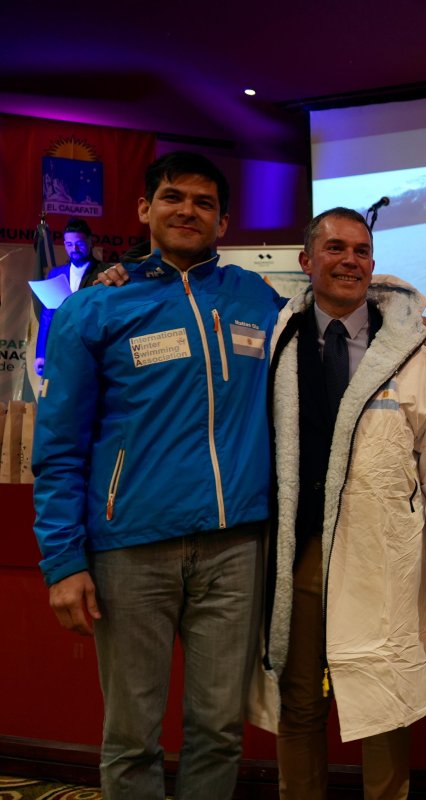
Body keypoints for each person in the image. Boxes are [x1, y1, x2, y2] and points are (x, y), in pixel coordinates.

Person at [32, 151, 279, 799]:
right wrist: (63, 561)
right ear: (145, 209)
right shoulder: (97, 308)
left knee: (219, 731)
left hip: (235, 547)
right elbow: (58, 445)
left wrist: (412, 322)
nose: (187, 211)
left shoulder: (256, 298)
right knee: (132, 738)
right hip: (131, 550)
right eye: (173, 197)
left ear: (223, 222)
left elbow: (337, 312)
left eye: (203, 202)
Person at [246, 208, 426, 799]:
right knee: (299, 700)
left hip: (382, 551)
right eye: (335, 248)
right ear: (306, 261)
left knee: (385, 699)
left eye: (362, 251)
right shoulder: (276, 336)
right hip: (299, 552)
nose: (350, 261)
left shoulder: (414, 349)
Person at [34, 217, 108, 375]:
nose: (74, 248)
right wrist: (41, 354)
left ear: (90, 241)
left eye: (79, 243)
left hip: (94, 352)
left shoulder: (105, 272)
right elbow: (47, 316)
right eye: (69, 244)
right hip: (62, 351)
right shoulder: (55, 274)